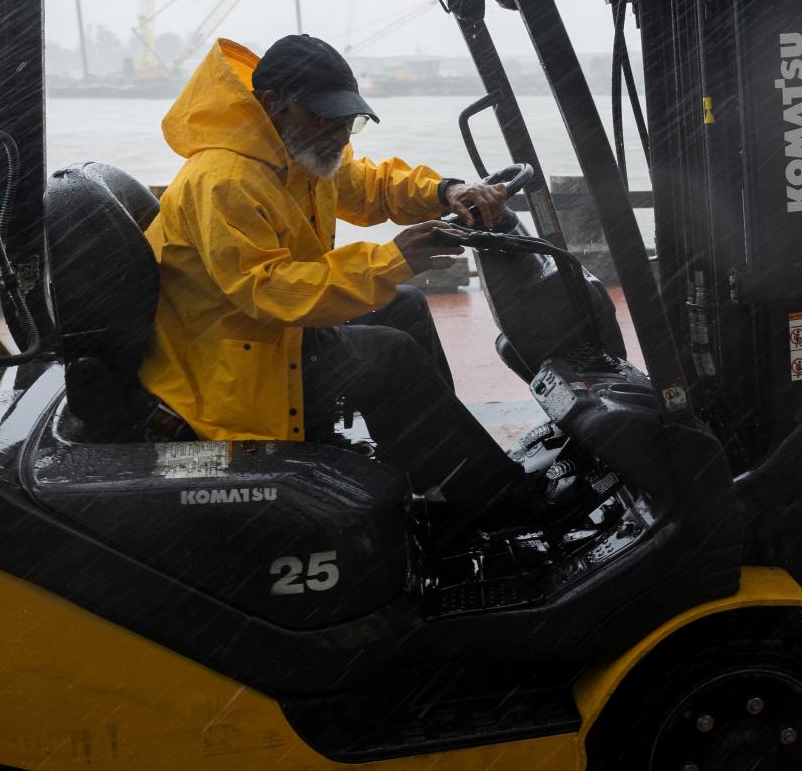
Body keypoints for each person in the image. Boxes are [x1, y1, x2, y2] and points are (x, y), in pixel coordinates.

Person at [138, 34, 531, 527]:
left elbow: (369, 185)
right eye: (325, 117)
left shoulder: (296, 152)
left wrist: (445, 190)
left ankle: (440, 467)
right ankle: (500, 503)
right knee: (388, 356)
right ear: (272, 104)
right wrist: (392, 258)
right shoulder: (225, 179)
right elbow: (271, 291)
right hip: (224, 369)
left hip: (258, 339)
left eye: (348, 120)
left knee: (404, 305)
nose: (340, 132)